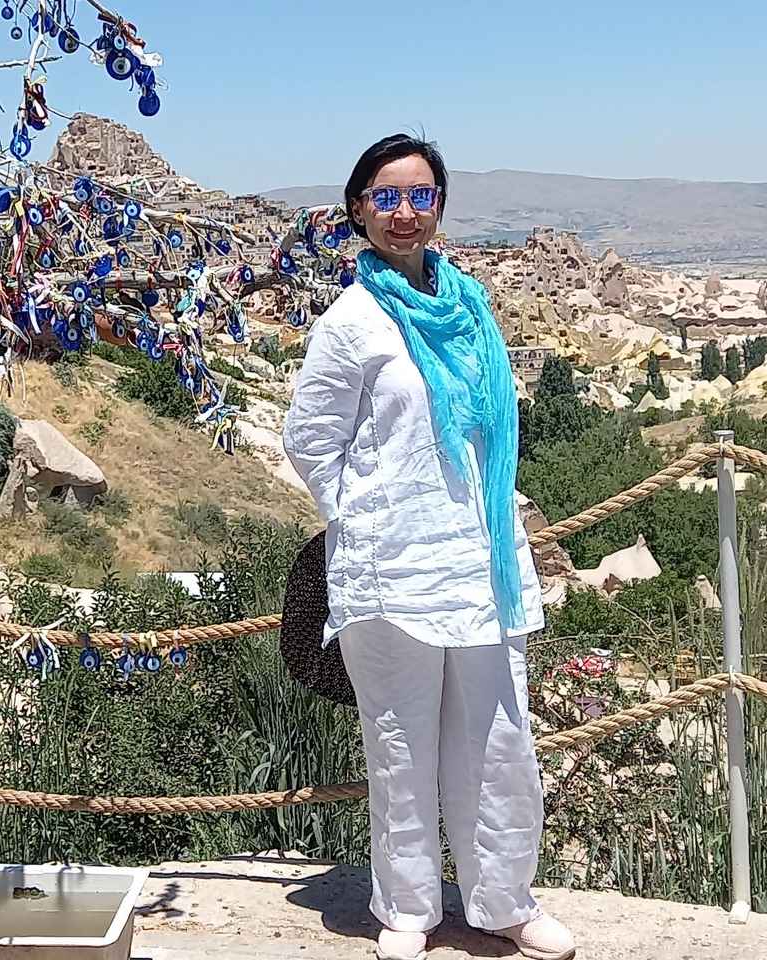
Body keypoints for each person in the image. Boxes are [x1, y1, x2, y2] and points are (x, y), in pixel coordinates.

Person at [282, 135, 575, 960]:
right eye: (387, 197)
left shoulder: (471, 309)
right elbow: (310, 441)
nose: (404, 212)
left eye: (420, 196)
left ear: (439, 206)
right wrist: (368, 516)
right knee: (401, 745)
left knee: (500, 742)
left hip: (480, 563)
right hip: (392, 571)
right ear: (359, 209)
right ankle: (407, 909)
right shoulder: (351, 323)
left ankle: (504, 903)